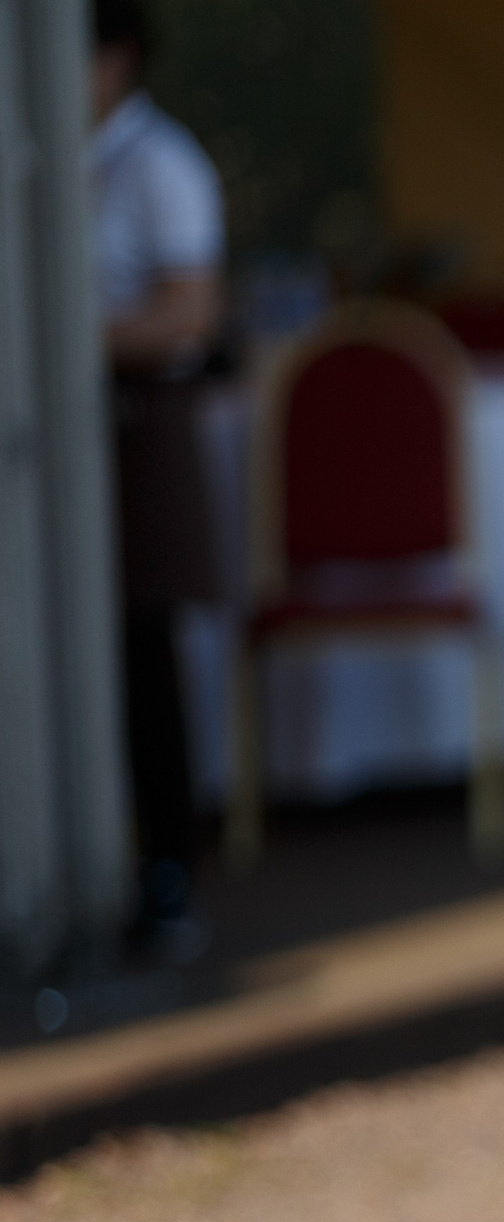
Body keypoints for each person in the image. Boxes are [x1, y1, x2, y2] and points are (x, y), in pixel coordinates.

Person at [90, 0, 225, 957]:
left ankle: (170, 869)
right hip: (80, 427)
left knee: (146, 645)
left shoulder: (159, 165)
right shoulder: (55, 157)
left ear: (122, 56)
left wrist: (62, 338)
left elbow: (189, 316)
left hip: (139, 422)